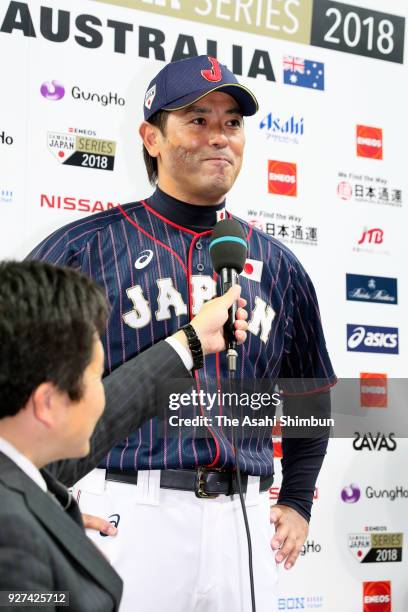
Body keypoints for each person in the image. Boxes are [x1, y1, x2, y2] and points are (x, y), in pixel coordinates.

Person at [28, 55, 336, 612]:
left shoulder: (280, 265)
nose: (219, 137)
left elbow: (310, 393)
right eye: (197, 120)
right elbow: (19, 390)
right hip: (127, 510)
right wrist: (36, 498)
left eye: (232, 122)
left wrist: (297, 497)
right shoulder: (84, 249)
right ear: (151, 138)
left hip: (242, 520)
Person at [0, 260, 248, 612]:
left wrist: (191, 342)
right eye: (94, 377)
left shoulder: (20, 483)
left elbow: (114, 411)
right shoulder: (11, 533)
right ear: (47, 402)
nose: (101, 393)